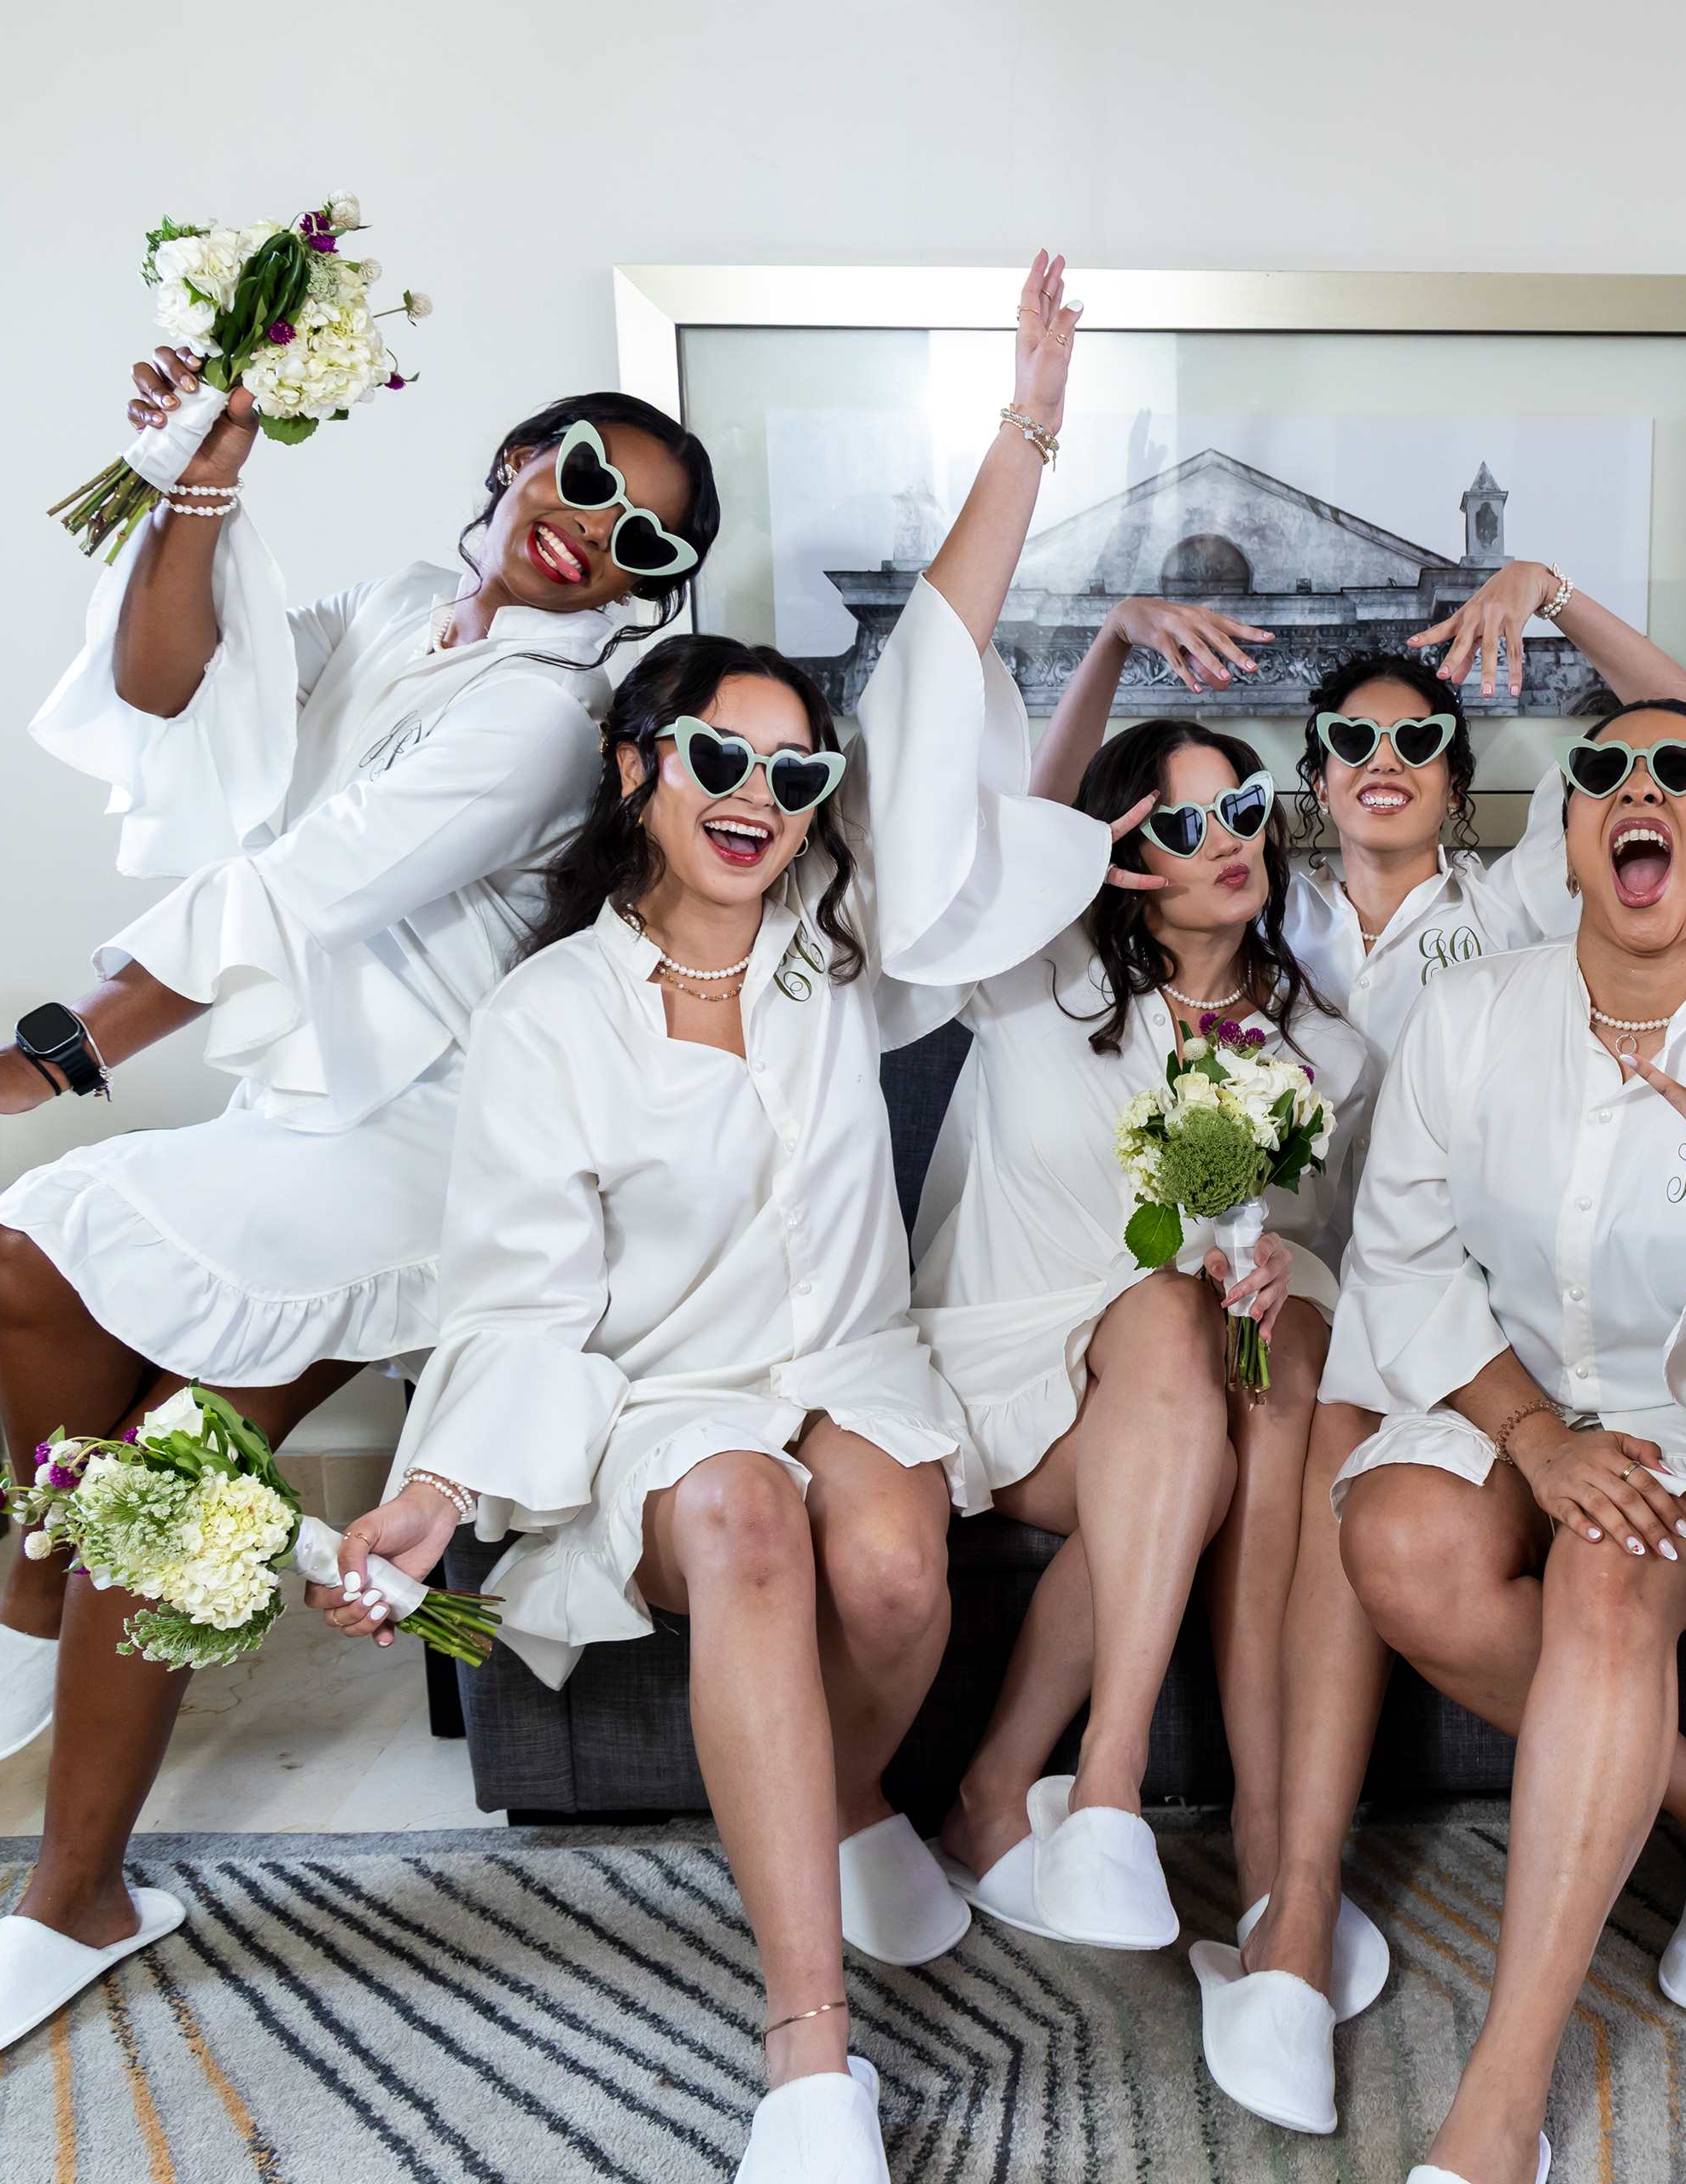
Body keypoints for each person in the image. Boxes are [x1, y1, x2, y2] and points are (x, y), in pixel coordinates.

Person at [327, 264, 1100, 2184]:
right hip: (664, 1401)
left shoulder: (845, 949)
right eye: (719, 760)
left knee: (900, 1577)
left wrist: (1028, 428)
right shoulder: (546, 1018)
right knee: (751, 1521)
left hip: (850, 1361)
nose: (759, 796)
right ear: (639, 769)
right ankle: (809, 2054)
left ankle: (833, 1804)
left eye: (793, 771)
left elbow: (939, 655)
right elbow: (519, 1297)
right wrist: (436, 1493)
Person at [0, 346, 718, 2077]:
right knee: (23, 1269)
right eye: (581, 474)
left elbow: (299, 890)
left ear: (646, 584)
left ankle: (70, 1885)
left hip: (446, 1141)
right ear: (515, 458)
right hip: (307, 1114)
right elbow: (178, 687)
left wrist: (57, 1053)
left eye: (643, 537)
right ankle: (44, 1608)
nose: (592, 529)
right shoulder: (401, 603)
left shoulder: (547, 718)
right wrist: (204, 473)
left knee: (162, 1456)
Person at [1027, 563, 1686, 2134]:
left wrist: (1554, 600)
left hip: (1471, 1313)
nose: (1384, 760)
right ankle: (1280, 1897)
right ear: (1316, 778)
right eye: (1352, 741)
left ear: (1460, 787)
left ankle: (1289, 1913)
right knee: (1300, 1403)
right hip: (1285, 1303)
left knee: (1326, 1420)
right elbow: (1063, 860)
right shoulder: (1248, 910)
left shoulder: (1523, 910)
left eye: (1418, 740)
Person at [1326, 700, 1686, 2184]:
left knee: (1605, 1565)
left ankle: (1502, 2102)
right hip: (1521, 1397)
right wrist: (1531, 1438)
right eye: (1602, 772)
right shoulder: (1468, 1016)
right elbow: (1404, 1261)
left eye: (1681, 771)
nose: (1636, 787)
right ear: (1574, 833)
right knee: (1395, 1540)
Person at [910, 710, 1367, 1975]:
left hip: (1174, 1414)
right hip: (1004, 1374)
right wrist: (1111, 641)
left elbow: (1322, 1245)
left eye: (1243, 809)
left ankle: (1033, 1797)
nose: (1227, 840)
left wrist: (1275, 1266)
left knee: (1265, 1353)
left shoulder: (1323, 1053)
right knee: (1173, 1320)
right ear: (1124, 852)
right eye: (1184, 823)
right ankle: (1115, 1784)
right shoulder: (1035, 977)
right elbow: (986, 840)